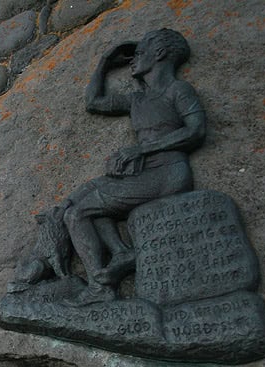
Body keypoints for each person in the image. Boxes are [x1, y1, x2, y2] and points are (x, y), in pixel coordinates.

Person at [59, 28, 206, 306]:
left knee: (77, 215)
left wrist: (140, 149)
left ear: (160, 54)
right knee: (87, 202)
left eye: (138, 54)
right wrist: (104, 62)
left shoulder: (178, 90)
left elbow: (196, 131)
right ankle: (122, 252)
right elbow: (94, 102)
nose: (132, 61)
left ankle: (100, 287)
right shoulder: (138, 99)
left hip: (168, 173)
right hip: (146, 173)